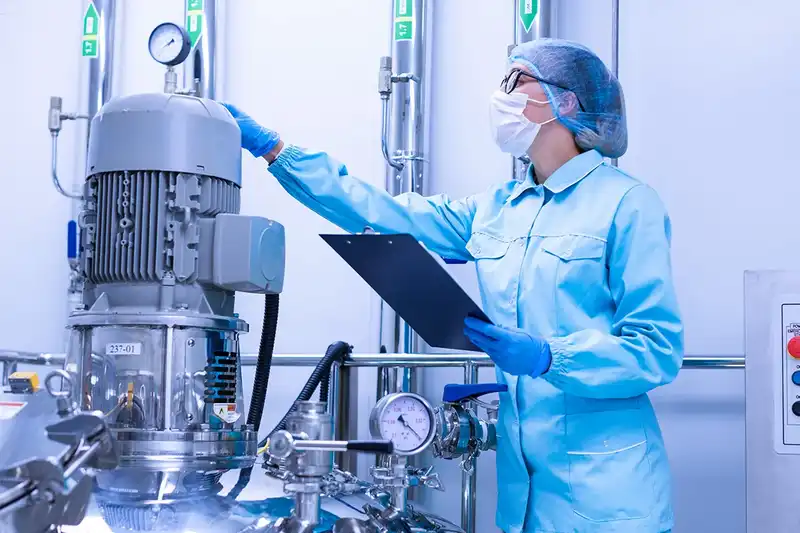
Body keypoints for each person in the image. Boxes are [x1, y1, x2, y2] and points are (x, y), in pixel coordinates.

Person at [223, 38, 682, 533]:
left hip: (608, 494)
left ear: (565, 100)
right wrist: (276, 151)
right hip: (523, 498)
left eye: (515, 81)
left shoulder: (628, 204)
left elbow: (655, 351)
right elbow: (381, 211)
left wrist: (550, 356)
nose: (500, 96)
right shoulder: (495, 210)